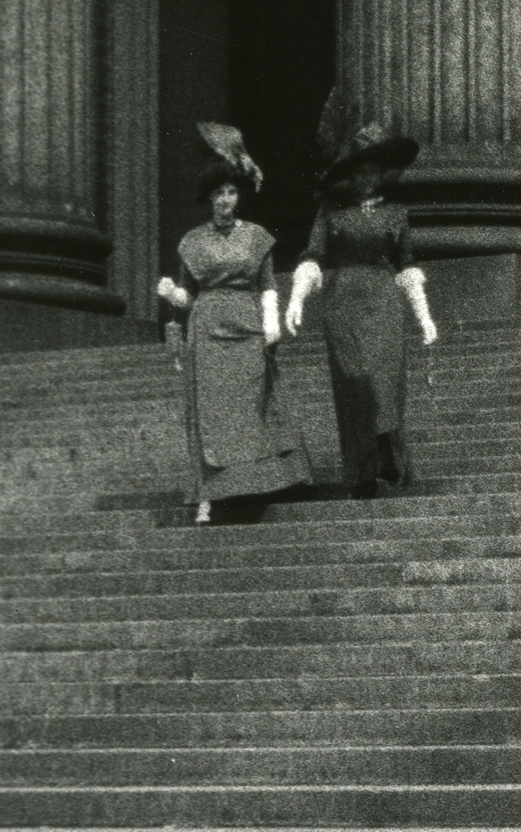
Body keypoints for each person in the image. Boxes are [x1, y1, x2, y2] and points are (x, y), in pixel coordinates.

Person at [155, 123, 309, 526]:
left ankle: (260, 483)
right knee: (212, 413)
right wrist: (173, 295)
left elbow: (267, 285)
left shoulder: (257, 237)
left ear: (239, 195)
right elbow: (189, 295)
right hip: (206, 329)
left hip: (247, 324)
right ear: (209, 197)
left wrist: (272, 322)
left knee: (249, 406)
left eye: (232, 192)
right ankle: (210, 494)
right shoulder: (191, 242)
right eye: (220, 193)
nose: (226, 199)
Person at [284, 95, 432, 500]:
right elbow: (313, 256)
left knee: (386, 382)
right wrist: (296, 298)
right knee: (355, 388)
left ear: (383, 173)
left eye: (375, 169)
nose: (368, 177)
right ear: (351, 172)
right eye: (361, 169)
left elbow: (406, 263)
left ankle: (390, 458)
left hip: (384, 298)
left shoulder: (397, 213)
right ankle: (361, 473)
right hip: (343, 301)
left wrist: (424, 315)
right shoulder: (331, 212)